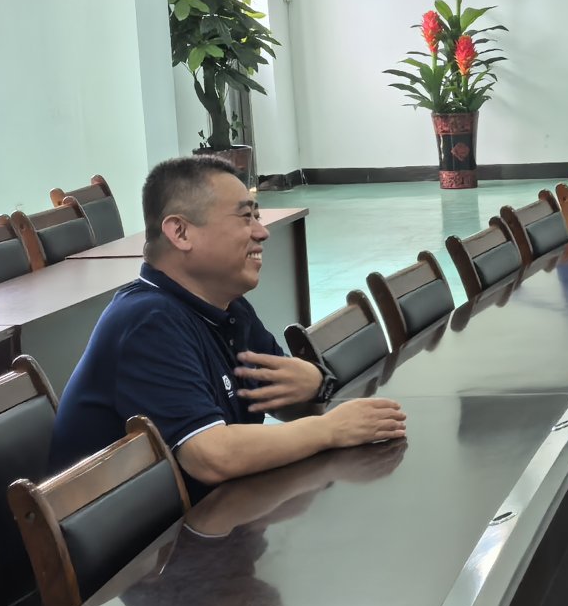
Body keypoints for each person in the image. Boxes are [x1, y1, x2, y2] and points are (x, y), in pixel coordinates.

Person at [51, 156, 406, 482]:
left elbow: (282, 401)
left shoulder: (227, 307)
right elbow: (211, 456)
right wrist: (330, 429)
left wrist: (316, 383)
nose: (262, 232)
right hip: (147, 532)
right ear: (181, 232)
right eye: (245, 217)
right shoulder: (147, 321)